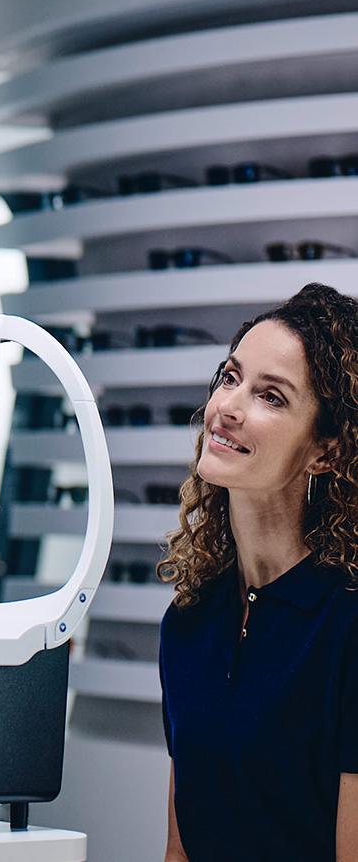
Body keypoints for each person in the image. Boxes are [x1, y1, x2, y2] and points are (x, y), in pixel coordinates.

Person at [158, 282, 358, 861]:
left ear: (327, 452)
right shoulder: (189, 622)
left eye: (271, 397)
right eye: (230, 377)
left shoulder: (346, 628)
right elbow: (181, 851)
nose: (228, 408)